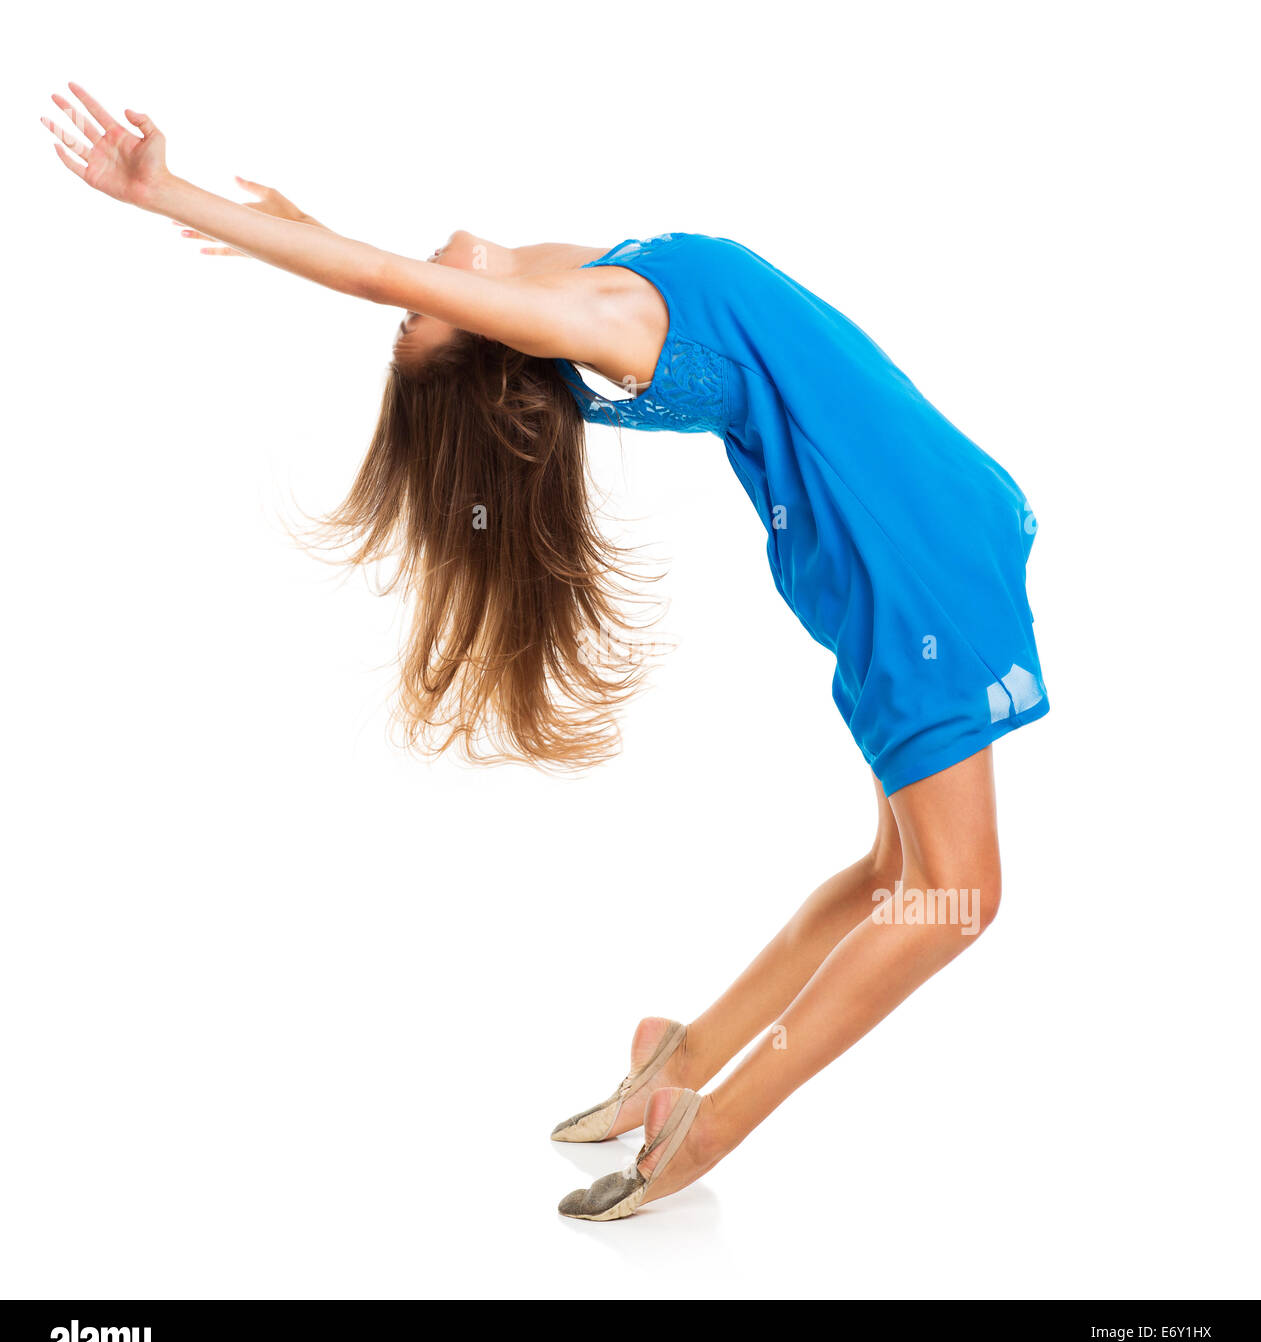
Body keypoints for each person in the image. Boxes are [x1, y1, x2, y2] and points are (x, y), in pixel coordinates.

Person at [43, 85, 1049, 1221]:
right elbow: (395, 278)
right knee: (953, 897)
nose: (424, 284)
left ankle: (679, 1057)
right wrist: (161, 193)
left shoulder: (583, 278)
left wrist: (301, 224)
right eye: (425, 316)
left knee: (893, 880)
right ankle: (705, 1125)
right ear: (497, 339)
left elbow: (408, 272)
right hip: (907, 559)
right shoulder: (611, 327)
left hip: (895, 535)